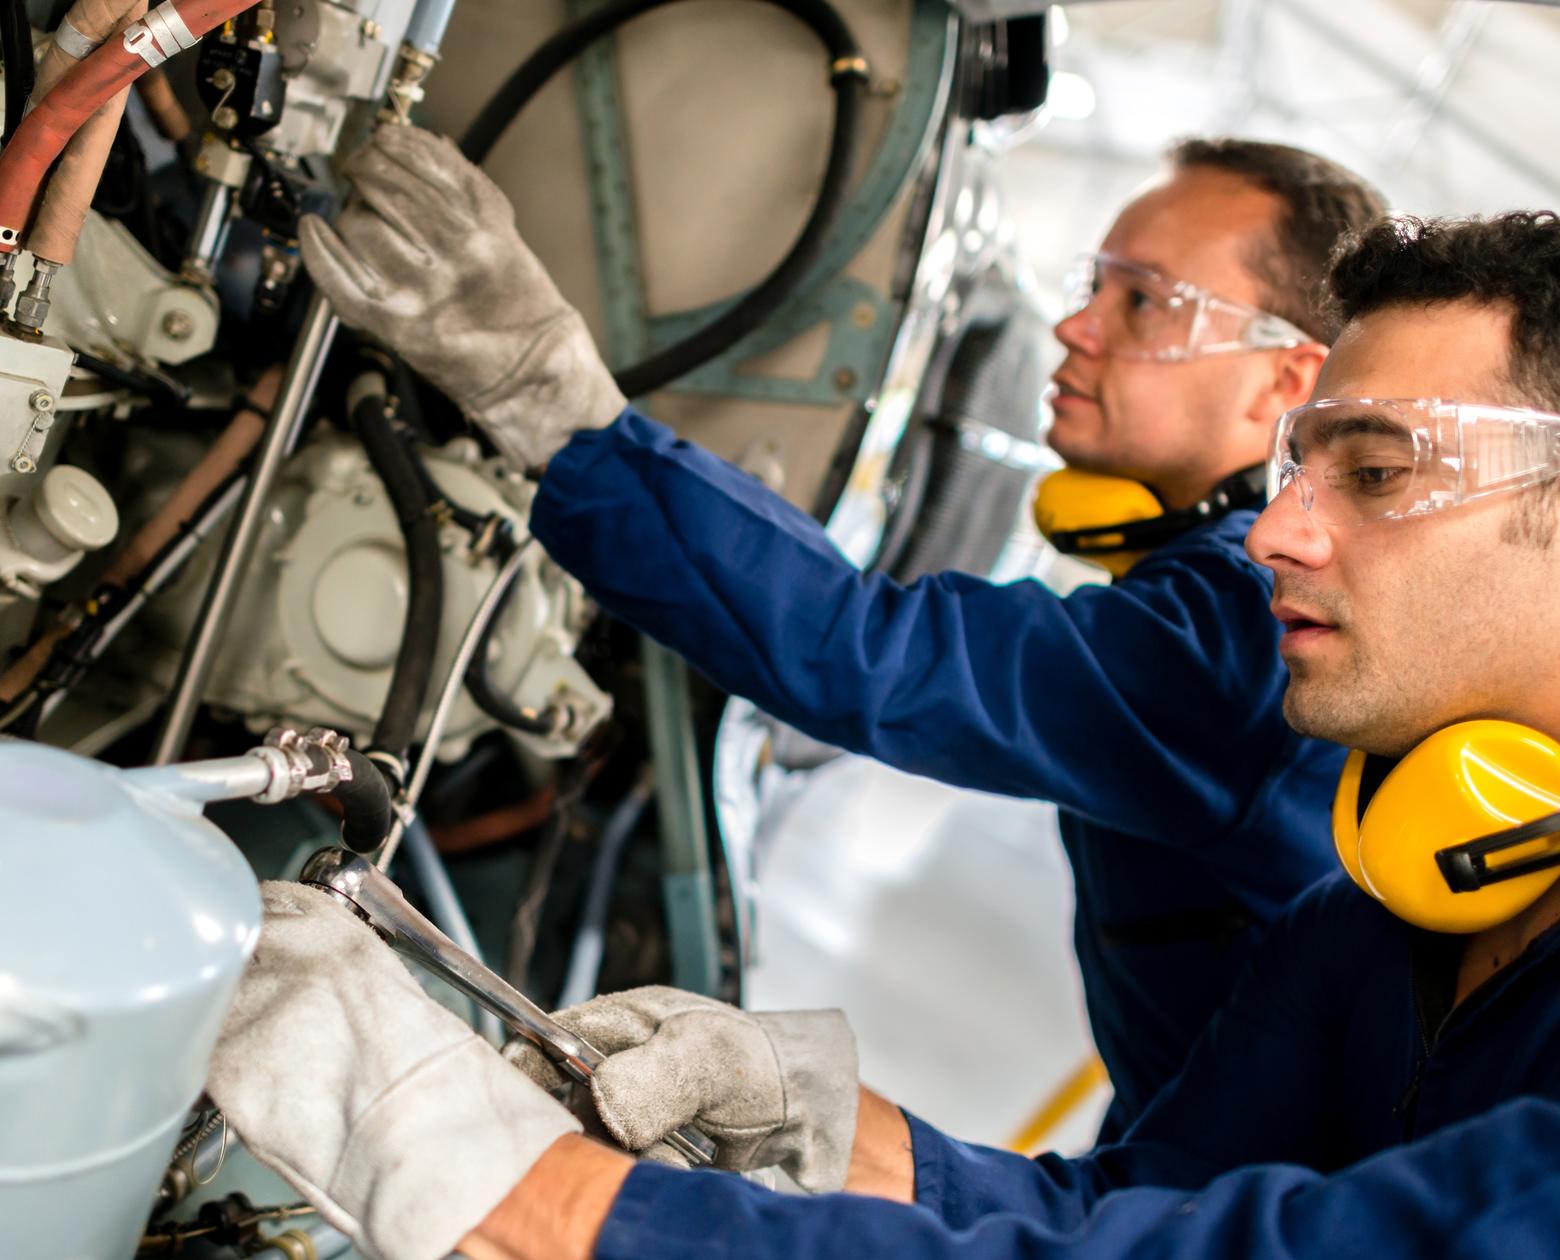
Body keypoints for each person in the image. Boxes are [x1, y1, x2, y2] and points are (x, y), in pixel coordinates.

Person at [207, 211, 1560, 1260]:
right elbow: (1133, 1210)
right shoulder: (1378, 918)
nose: (1272, 538)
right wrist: (822, 1119)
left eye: (1375, 474)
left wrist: (522, 1196)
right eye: (1298, 470)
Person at [295, 121, 1388, 1136]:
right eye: (1090, 282)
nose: (1074, 325)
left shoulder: (1247, 627)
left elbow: (871, 654)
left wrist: (549, 398)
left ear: (1284, 380)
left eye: (1142, 299)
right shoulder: (1225, 599)